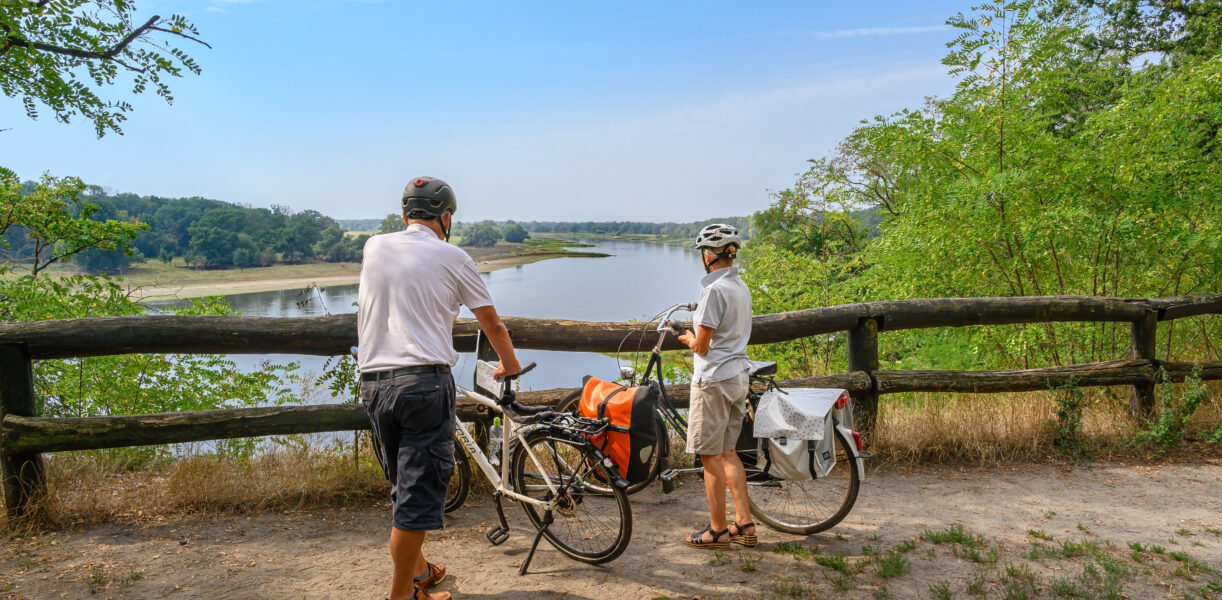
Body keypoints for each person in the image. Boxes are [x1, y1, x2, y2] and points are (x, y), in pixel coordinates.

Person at [357, 176, 522, 600]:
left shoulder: (374, 246)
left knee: (402, 486)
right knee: (415, 505)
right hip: (424, 385)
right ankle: (403, 596)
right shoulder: (454, 256)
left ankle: (422, 572)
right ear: (446, 217)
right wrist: (511, 364)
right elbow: (493, 323)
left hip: (375, 385)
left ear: (404, 214)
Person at [676, 224, 757, 550]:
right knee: (727, 453)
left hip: (713, 382)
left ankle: (717, 530)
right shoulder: (740, 287)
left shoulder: (713, 292)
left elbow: (702, 347)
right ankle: (745, 524)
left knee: (709, 457)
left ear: (708, 256)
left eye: (701, 254)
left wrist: (686, 338)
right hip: (738, 376)